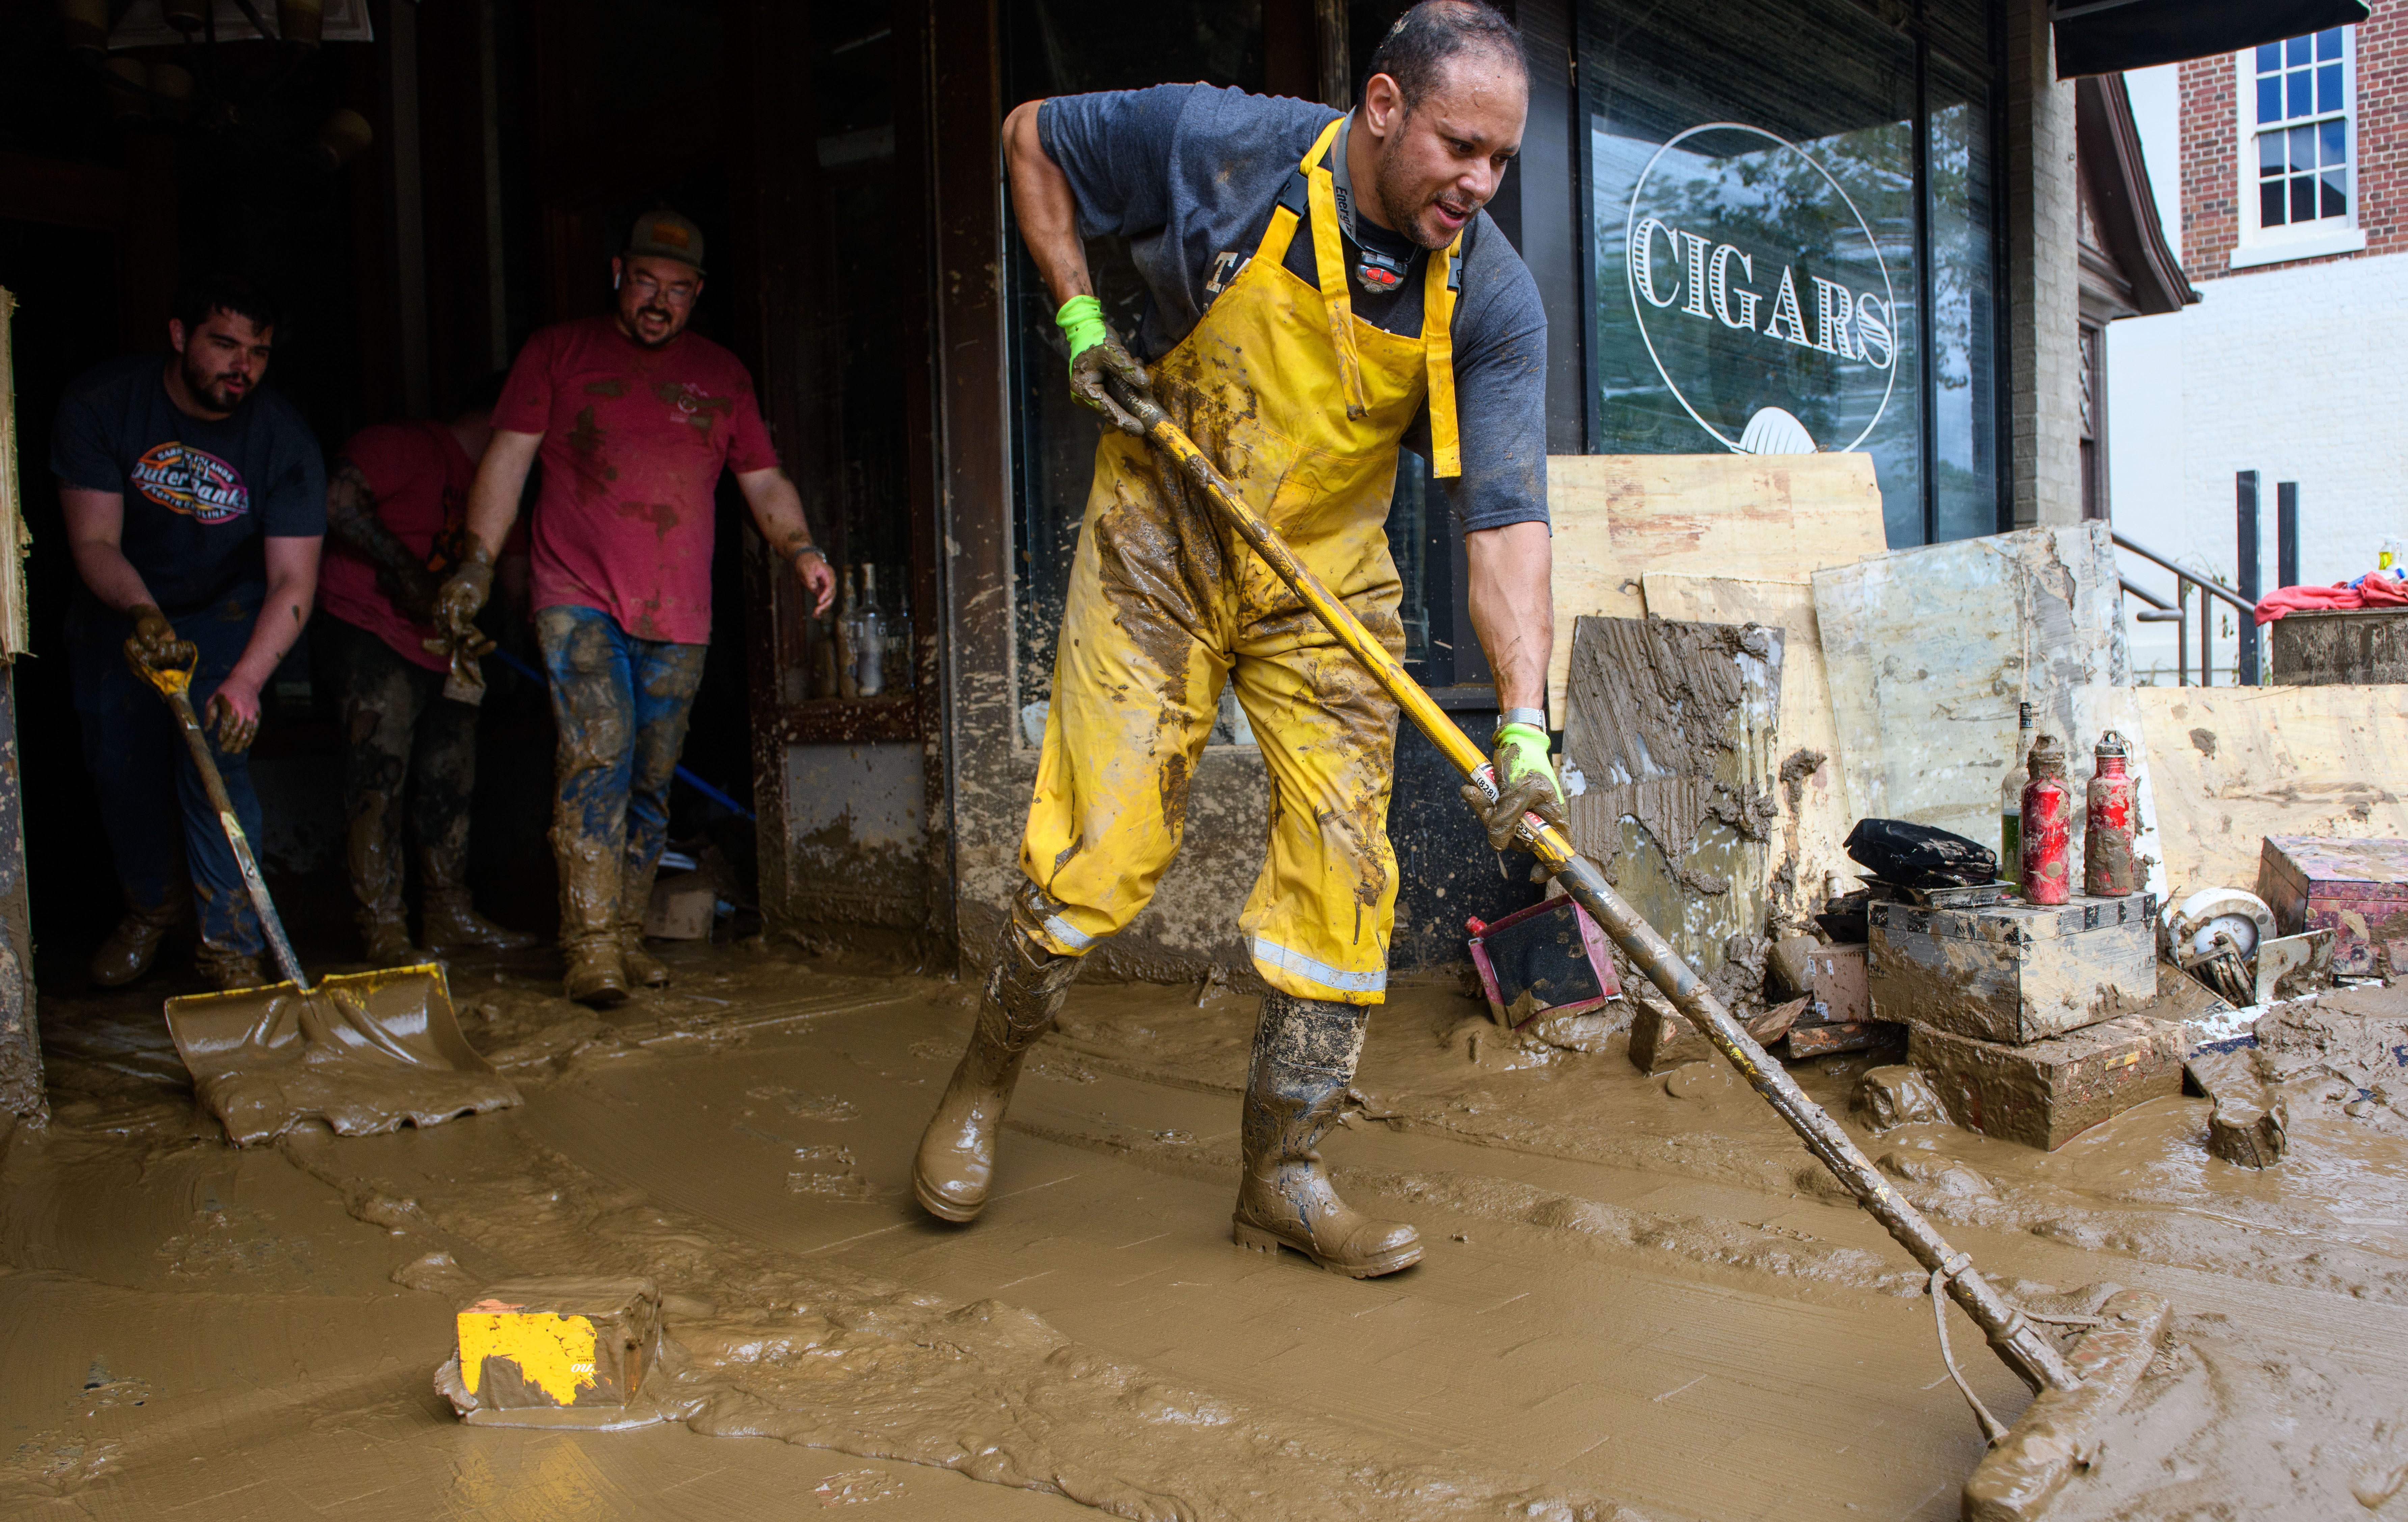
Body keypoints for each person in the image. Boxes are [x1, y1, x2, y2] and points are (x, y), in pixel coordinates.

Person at [913, 0, 1563, 1279]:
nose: (1478, 185)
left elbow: (1504, 525)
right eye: (1459, 147)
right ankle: (985, 1078)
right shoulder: (1220, 144)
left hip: (1322, 582)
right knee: (1100, 846)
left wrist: (1526, 733)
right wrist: (1082, 323)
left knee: (1344, 874)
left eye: (1502, 161)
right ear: (1382, 107)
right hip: (1165, 532)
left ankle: (1284, 1175)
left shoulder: (1489, 293)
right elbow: (1028, 137)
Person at [437, 210, 834, 1007]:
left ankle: (620, 934)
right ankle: (588, 947)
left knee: (651, 778)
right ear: (618, 273)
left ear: (697, 296)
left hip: (678, 612)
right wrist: (475, 567)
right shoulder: (558, 352)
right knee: (598, 755)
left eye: (679, 290)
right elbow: (507, 464)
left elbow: (762, 480)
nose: (661, 301)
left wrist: (802, 550)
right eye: (647, 282)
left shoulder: (722, 376)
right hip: (575, 597)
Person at [54, 273, 325, 991]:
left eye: (259, 352)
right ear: (179, 335)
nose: (243, 366)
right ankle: (151, 908)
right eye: (224, 344)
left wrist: (246, 680)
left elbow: (294, 579)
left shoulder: (283, 438)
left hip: (227, 613)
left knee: (218, 771)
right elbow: (94, 542)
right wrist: (144, 615)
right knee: (123, 767)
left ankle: (231, 953)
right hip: (119, 605)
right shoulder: (103, 406)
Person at [316, 376, 537, 963]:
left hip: (450, 648)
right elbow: (334, 499)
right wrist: (404, 569)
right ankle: (384, 927)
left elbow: (515, 575)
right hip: (373, 631)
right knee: (377, 778)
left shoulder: (506, 488)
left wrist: (547, 640)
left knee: (450, 779)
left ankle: (448, 914)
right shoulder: (403, 445)